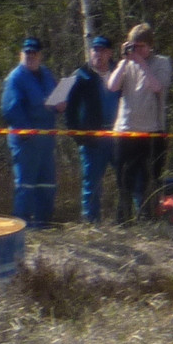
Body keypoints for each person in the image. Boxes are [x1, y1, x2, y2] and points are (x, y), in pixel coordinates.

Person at [108, 23, 171, 223]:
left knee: (149, 180)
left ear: (150, 46)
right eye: (134, 46)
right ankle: (124, 220)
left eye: (141, 46)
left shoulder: (162, 62)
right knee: (123, 179)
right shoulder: (125, 64)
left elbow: (157, 86)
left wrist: (141, 63)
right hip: (125, 130)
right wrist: (125, 61)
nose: (137, 50)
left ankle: (148, 219)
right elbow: (112, 86)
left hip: (152, 131)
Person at [0, 38, 59, 228]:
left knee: (47, 184)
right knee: (25, 185)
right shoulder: (15, 77)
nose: (30, 56)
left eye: (34, 53)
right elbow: (10, 109)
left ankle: (43, 224)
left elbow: (55, 99)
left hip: (46, 140)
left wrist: (60, 106)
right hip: (26, 141)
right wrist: (27, 131)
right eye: (27, 53)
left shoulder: (47, 75)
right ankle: (21, 226)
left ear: (40, 56)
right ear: (21, 55)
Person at [62, 36, 118, 224]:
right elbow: (64, 108)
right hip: (91, 140)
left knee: (126, 179)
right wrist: (77, 135)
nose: (98, 54)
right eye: (95, 50)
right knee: (91, 184)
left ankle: (125, 220)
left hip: (119, 137)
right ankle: (91, 223)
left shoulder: (120, 72)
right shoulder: (79, 75)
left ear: (110, 53)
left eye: (102, 50)